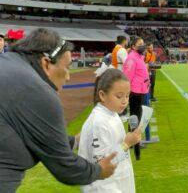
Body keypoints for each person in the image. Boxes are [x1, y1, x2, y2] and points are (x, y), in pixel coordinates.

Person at [0, 28, 117, 192]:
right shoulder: (37, 91)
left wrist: (74, 141)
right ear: (46, 63)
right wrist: (99, 171)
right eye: (67, 67)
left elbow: (37, 132)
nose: (68, 76)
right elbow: (65, 167)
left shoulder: (8, 62)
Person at [78, 68, 141, 193]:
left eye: (127, 95)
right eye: (119, 96)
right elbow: (101, 165)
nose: (125, 101)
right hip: (105, 187)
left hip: (118, 182)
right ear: (102, 95)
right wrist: (126, 144)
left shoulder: (112, 113)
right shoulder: (99, 122)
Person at [123, 36, 149, 160]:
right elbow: (127, 77)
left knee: (136, 118)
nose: (143, 45)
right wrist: (127, 94)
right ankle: (135, 147)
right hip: (135, 92)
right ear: (133, 46)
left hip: (140, 91)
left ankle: (133, 143)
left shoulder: (139, 57)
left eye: (143, 43)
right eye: (140, 44)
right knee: (135, 119)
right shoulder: (132, 59)